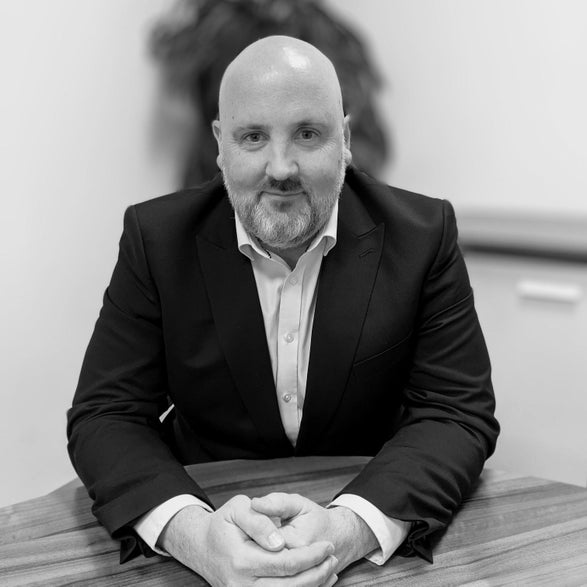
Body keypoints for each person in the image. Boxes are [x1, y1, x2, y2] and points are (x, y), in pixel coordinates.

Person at [67, 36, 499, 586]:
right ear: (221, 145)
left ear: (345, 140)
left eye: (308, 134)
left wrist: (347, 529)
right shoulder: (156, 240)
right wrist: (194, 537)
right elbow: (105, 414)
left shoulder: (423, 236)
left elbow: (455, 411)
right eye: (253, 137)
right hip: (205, 515)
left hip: (371, 531)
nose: (280, 167)